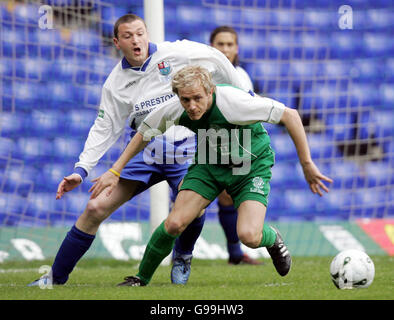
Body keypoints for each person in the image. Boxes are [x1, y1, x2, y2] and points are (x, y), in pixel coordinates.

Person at [27, 14, 252, 287]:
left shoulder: (176, 53)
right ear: (116, 42)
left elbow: (216, 58)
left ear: (147, 34)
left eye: (140, 33)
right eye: (128, 36)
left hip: (186, 149)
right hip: (146, 151)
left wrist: (243, 98)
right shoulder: (115, 84)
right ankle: (55, 279)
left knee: (193, 206)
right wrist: (82, 169)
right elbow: (104, 127)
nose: (136, 40)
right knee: (95, 207)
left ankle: (182, 254)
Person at [89, 65, 333, 286]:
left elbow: (290, 115)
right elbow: (143, 134)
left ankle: (273, 239)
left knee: (249, 235)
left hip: (249, 166)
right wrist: (115, 170)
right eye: (186, 99)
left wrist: (307, 164)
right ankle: (140, 278)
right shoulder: (175, 109)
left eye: (197, 98)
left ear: (210, 91)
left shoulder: (233, 102)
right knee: (174, 223)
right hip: (209, 165)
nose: (192, 106)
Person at [208, 25, 260, 265]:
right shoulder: (204, 74)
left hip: (239, 141)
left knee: (229, 197)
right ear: (212, 47)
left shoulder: (242, 75)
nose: (226, 49)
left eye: (230, 44)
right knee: (190, 200)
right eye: (221, 44)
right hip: (208, 138)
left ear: (236, 48)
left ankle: (235, 255)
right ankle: (180, 254)